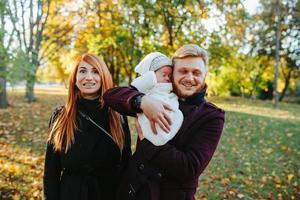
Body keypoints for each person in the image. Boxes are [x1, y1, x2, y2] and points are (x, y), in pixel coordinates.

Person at [103, 44, 225, 200]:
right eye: (183, 71)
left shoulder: (212, 116)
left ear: (204, 76)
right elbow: (110, 96)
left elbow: (190, 167)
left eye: (196, 72)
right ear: (172, 73)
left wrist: (148, 144)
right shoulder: (156, 94)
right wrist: (142, 102)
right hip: (134, 191)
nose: (189, 78)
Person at [43, 53, 131, 200]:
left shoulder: (117, 116)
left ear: (104, 77)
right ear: (75, 79)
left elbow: (126, 165)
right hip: (71, 193)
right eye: (83, 71)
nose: (89, 77)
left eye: (95, 71)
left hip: (108, 193)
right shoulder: (60, 117)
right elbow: (51, 172)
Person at [130, 52, 183, 146]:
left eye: (170, 76)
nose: (167, 78)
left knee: (178, 115)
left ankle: (163, 134)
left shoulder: (172, 88)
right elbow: (135, 87)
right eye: (164, 74)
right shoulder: (146, 87)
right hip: (150, 119)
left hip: (167, 120)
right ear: (151, 75)